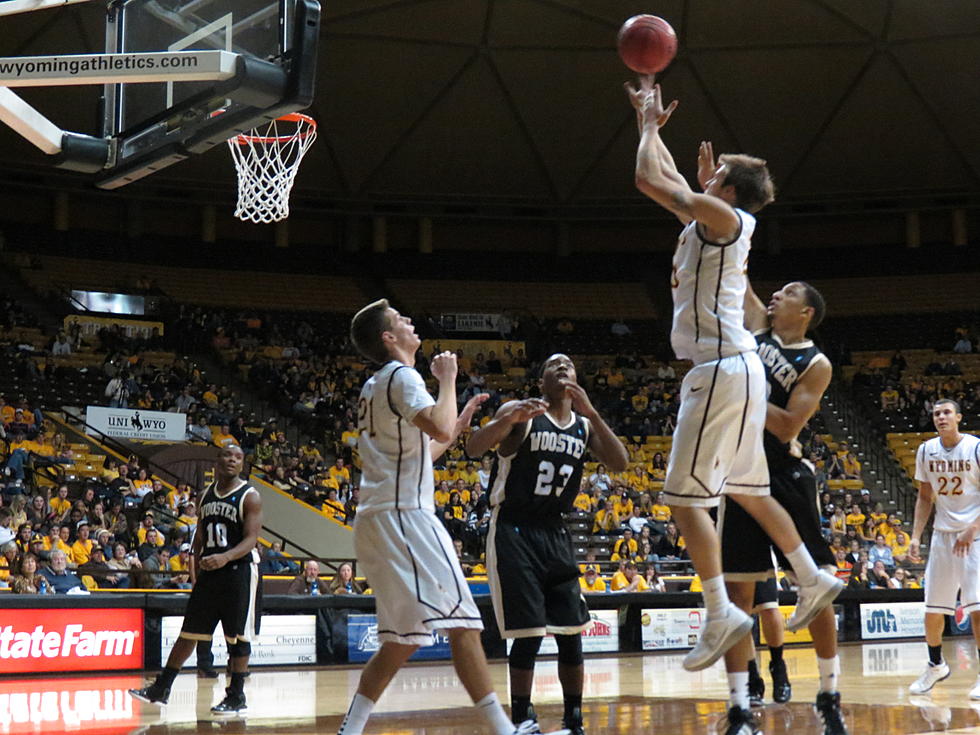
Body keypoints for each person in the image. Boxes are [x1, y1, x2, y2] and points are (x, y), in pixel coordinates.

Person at [625, 77, 840, 720]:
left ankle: (720, 610)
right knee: (748, 488)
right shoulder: (711, 217)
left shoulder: (726, 216)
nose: (706, 176)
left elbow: (649, 183)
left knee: (684, 499)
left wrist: (645, 128)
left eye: (716, 174)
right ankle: (810, 573)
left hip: (718, 370)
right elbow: (670, 189)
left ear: (728, 189)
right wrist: (654, 128)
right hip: (735, 369)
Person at [339, 299, 544, 735]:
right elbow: (441, 428)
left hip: (378, 518)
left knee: (400, 640)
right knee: (465, 621)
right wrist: (448, 382)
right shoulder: (403, 375)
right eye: (400, 320)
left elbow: (425, 450)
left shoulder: (376, 384)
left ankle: (350, 730)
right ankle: (503, 730)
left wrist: (458, 416)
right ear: (388, 338)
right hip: (406, 517)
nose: (411, 322)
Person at [466, 353, 628, 735]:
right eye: (553, 365)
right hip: (514, 527)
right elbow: (474, 447)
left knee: (572, 632)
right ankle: (523, 716)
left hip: (555, 530)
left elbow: (620, 463)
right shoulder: (521, 413)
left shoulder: (584, 426)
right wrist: (506, 420)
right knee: (528, 635)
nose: (562, 367)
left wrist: (593, 412)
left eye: (569, 365)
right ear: (540, 382)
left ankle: (574, 718)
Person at [713, 280, 847, 733]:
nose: (776, 296)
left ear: (806, 311)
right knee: (738, 596)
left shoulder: (816, 363)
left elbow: (789, 426)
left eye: (788, 293)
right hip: (737, 471)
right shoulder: (758, 327)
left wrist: (746, 396)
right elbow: (737, 266)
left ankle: (829, 695)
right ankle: (739, 705)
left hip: (783, 473)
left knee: (817, 586)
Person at [129, 444, 263, 716]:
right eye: (227, 455)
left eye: (238, 457)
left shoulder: (250, 496)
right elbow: (199, 539)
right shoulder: (204, 496)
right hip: (210, 573)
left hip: (240, 571)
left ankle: (236, 696)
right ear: (218, 460)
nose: (232, 460)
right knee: (189, 632)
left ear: (242, 464)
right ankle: (161, 688)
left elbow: (251, 540)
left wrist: (226, 557)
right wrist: (196, 575)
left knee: (237, 636)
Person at [907, 399, 980, 698]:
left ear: (958, 417)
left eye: (947, 412)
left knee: (977, 609)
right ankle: (935, 665)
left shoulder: (975, 447)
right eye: (936, 414)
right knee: (933, 610)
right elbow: (925, 498)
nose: (941, 417)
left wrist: (972, 527)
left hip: (974, 536)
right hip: (942, 536)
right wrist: (914, 536)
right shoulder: (926, 450)